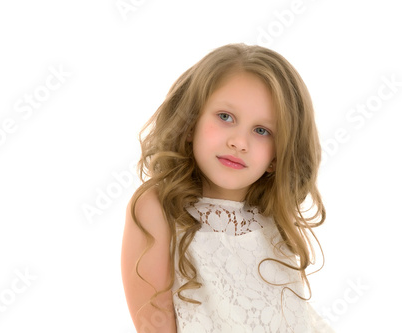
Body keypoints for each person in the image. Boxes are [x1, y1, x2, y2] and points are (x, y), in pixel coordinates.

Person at [121, 43, 334, 332]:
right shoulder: (158, 206)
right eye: (225, 117)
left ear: (276, 157)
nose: (239, 142)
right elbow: (154, 323)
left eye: (262, 131)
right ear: (189, 123)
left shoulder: (270, 215)